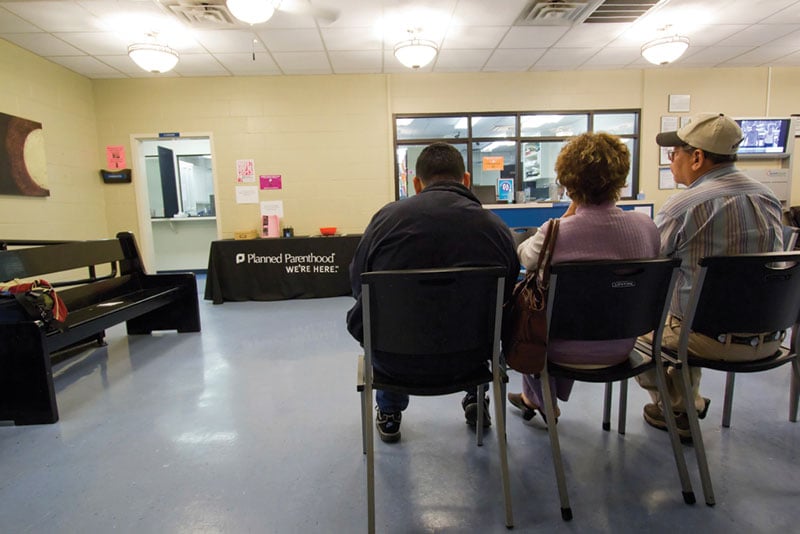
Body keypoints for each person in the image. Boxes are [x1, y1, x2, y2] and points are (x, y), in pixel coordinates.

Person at [346, 142, 519, 444]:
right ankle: (476, 399)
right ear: (466, 179)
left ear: (416, 183)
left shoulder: (385, 221)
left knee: (385, 318)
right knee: (485, 315)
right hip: (473, 360)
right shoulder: (495, 228)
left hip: (395, 361)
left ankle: (389, 412)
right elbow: (509, 292)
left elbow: (357, 282)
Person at [635, 112, 784, 440]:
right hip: (771, 337)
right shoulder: (769, 198)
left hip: (706, 339)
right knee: (691, 313)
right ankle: (685, 400)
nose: (672, 161)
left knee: (634, 334)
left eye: (674, 154)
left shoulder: (683, 206)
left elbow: (647, 266)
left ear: (698, 157)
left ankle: (679, 407)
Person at [508, 132, 660, 423]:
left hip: (558, 350)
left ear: (567, 183)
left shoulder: (555, 233)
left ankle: (540, 397)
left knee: (529, 309)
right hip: (622, 345)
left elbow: (524, 256)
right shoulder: (646, 227)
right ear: (621, 178)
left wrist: (565, 218)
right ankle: (536, 398)